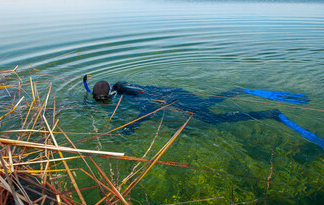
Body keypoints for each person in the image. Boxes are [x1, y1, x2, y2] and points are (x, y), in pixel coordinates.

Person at [83, 75, 324, 149]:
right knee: (207, 107)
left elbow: (147, 107)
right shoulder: (121, 88)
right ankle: (238, 89)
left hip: (175, 99)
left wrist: (132, 126)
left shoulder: (124, 92)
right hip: (176, 93)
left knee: (209, 120)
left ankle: (270, 114)